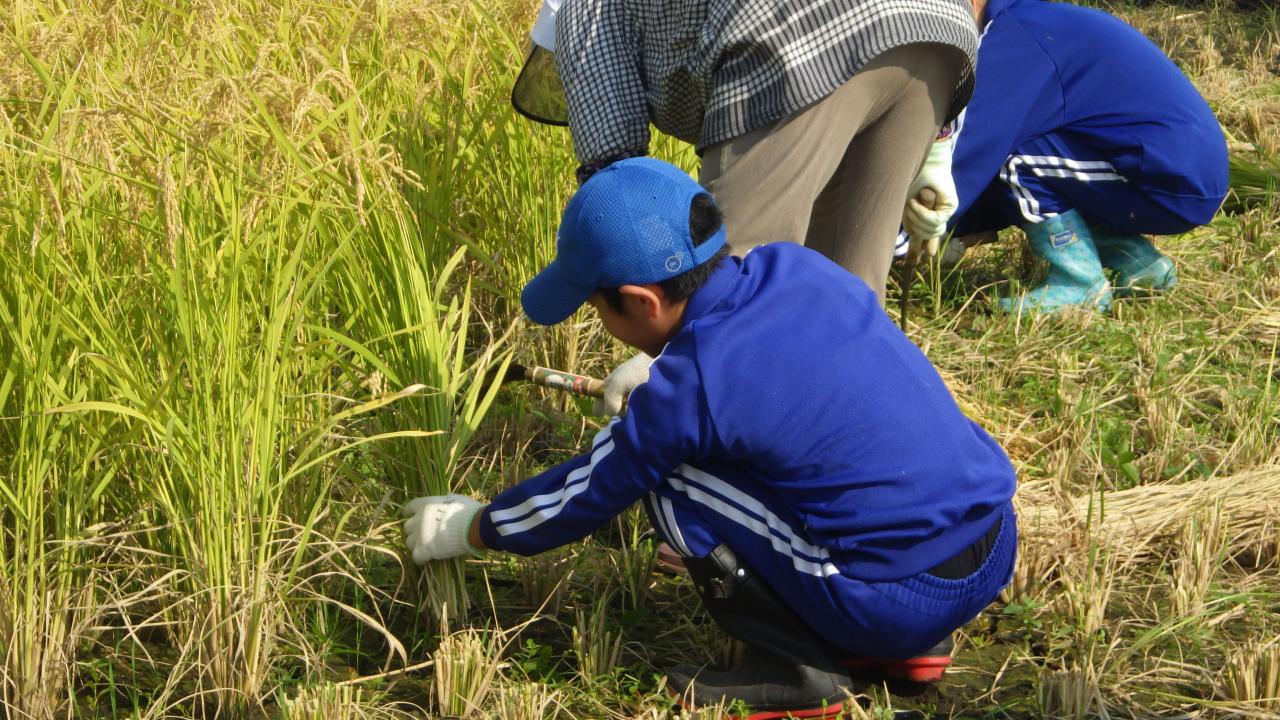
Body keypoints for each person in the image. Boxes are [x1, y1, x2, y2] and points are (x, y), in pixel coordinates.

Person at [402, 158, 1018, 719]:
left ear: (641, 302)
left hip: (894, 598)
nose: (600, 322)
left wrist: (474, 527)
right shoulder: (798, 268)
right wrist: (668, 372)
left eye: (597, 308)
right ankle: (914, 649)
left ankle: (796, 672)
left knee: (667, 472)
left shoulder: (689, 389)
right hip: (990, 545)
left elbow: (588, 490)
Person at [511, 0, 982, 413]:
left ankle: (709, 463)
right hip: (940, 30)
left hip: (799, 30)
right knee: (851, 299)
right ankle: (855, 466)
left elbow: (621, 194)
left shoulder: (580, 12)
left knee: (732, 293)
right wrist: (940, 142)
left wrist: (665, 370)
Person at [940, 0, 1228, 313]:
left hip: (1172, 179)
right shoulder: (1034, 20)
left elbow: (971, 147)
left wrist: (904, 235)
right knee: (1045, 166)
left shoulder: (1014, 36)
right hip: (1179, 170)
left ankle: (1079, 284)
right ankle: (1139, 264)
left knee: (1017, 161)